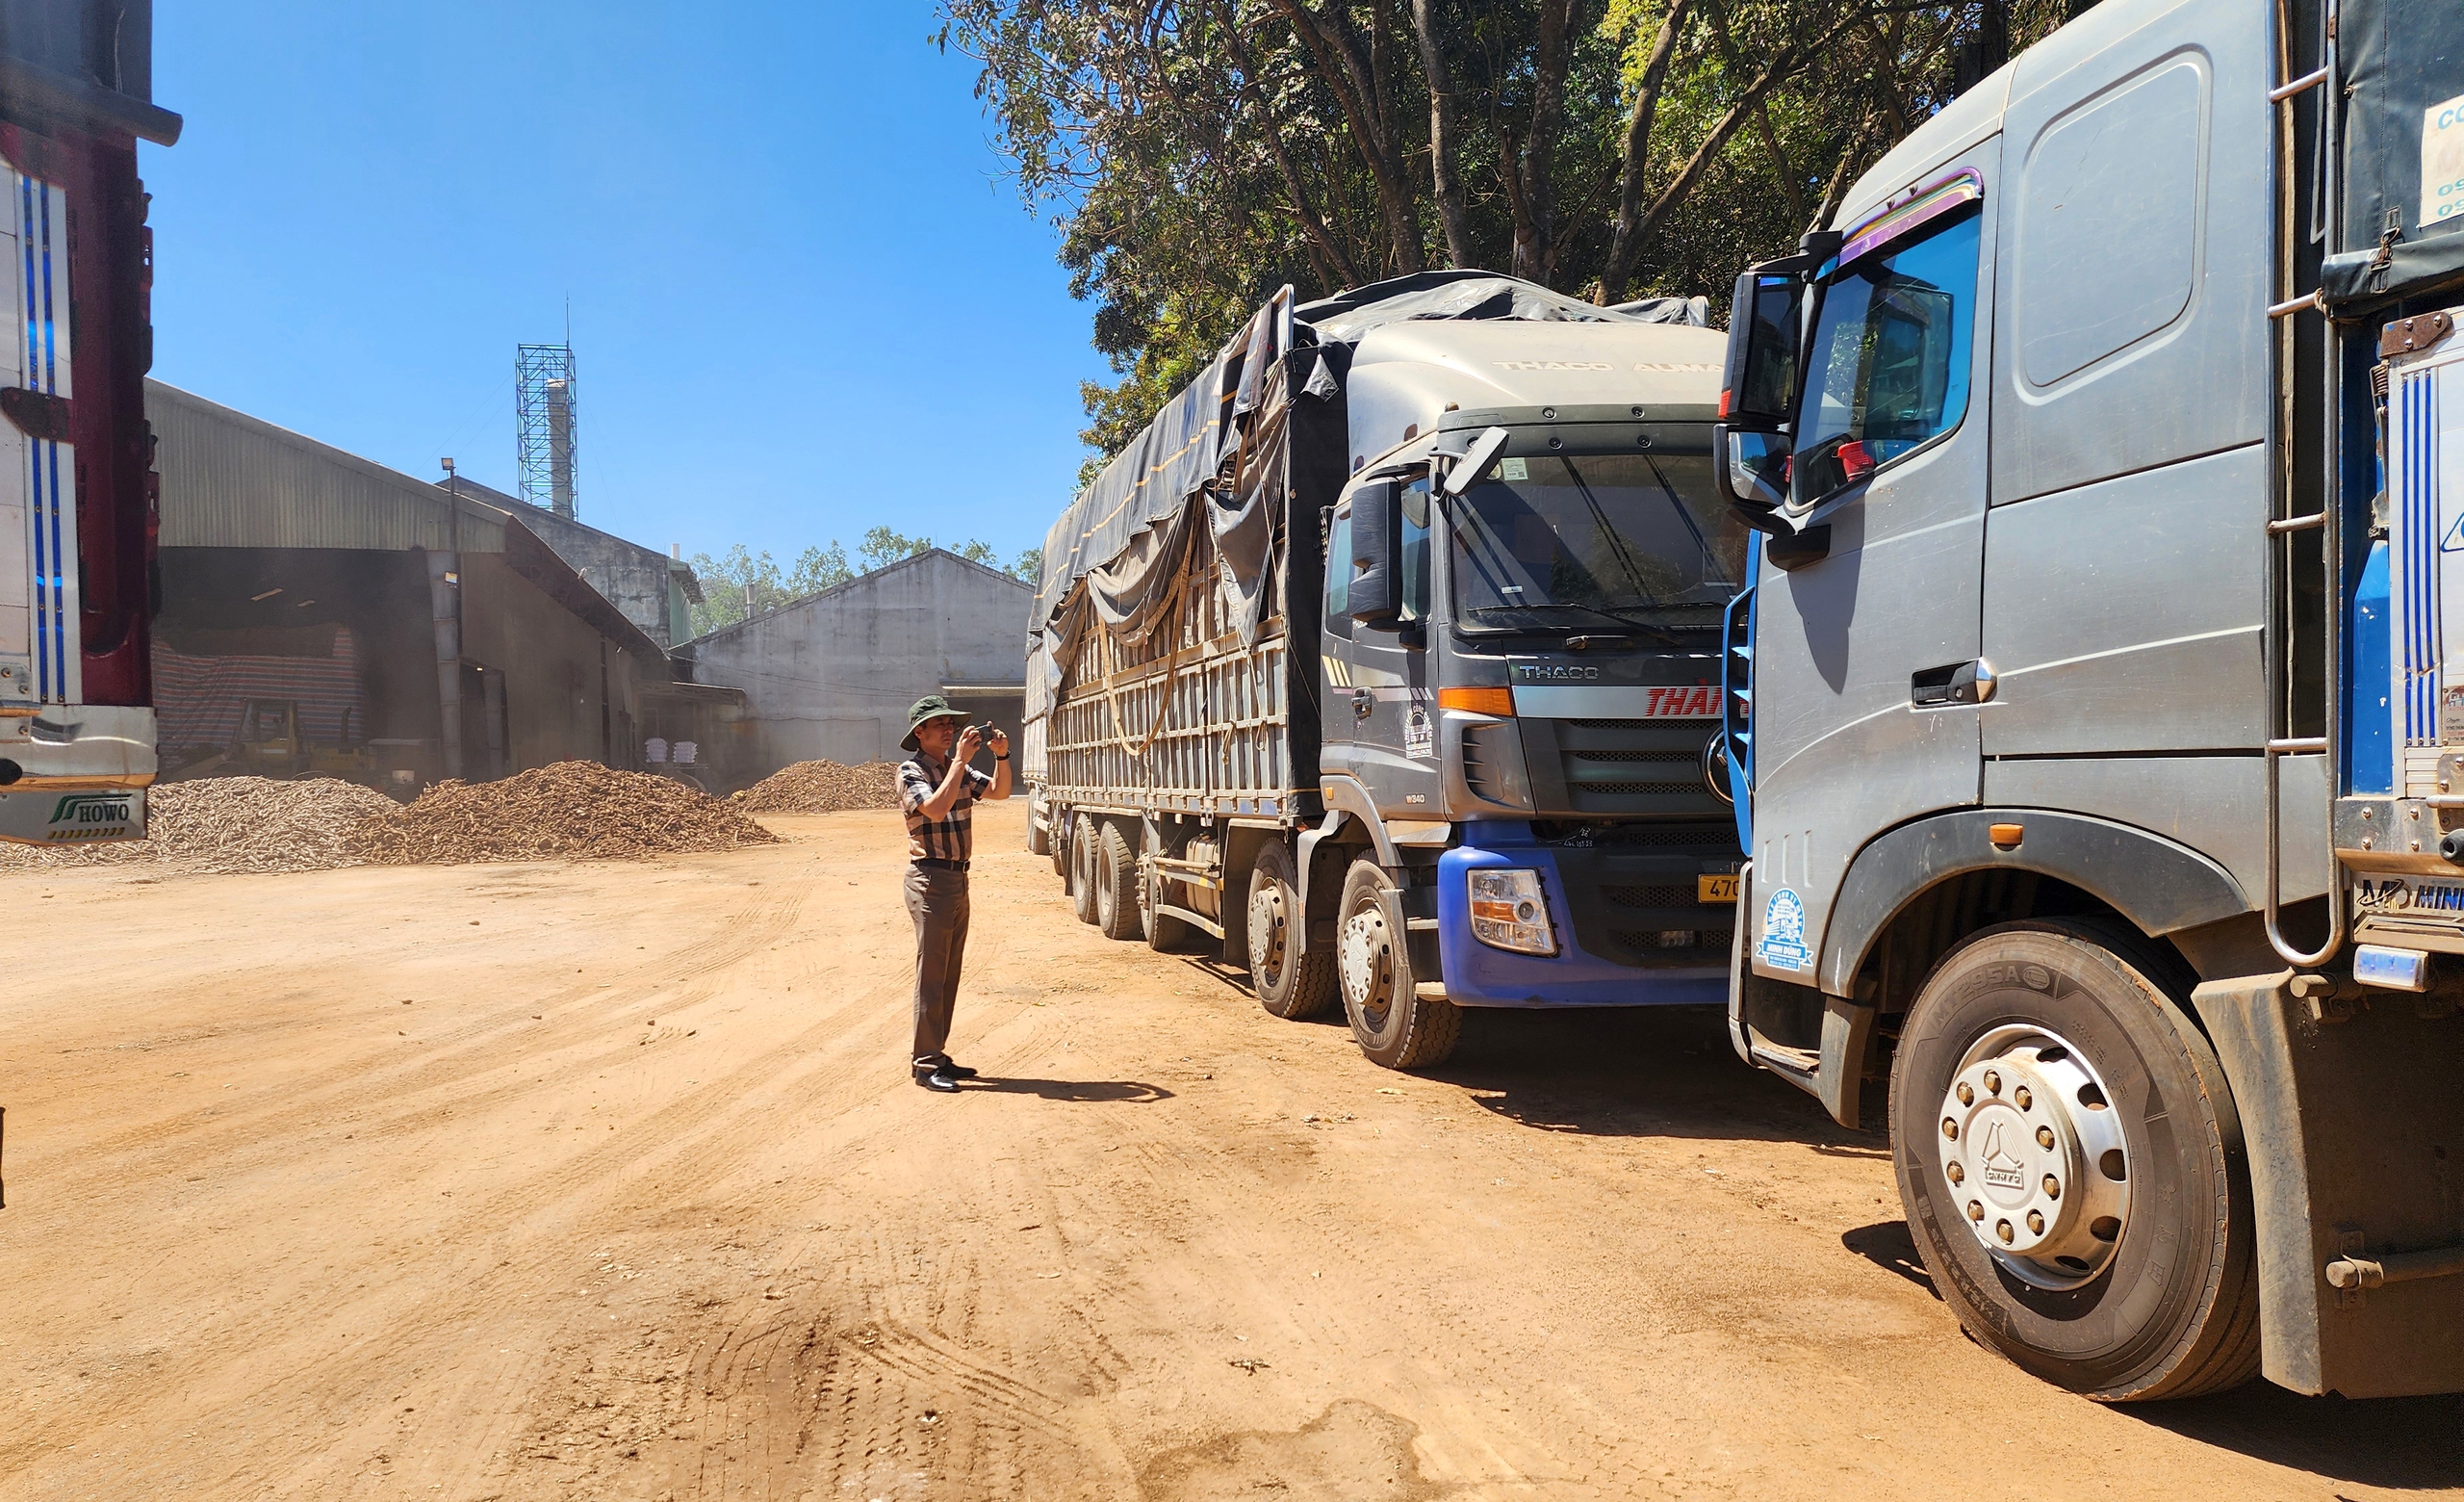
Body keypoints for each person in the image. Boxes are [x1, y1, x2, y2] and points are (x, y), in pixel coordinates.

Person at [895, 695, 1011, 1092]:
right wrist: (960, 763)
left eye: (950, 723)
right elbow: (935, 809)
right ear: (919, 733)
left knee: (948, 974)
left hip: (957, 879)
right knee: (931, 976)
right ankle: (925, 1065)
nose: (948, 729)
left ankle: (936, 1055)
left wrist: (1002, 755)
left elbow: (999, 792)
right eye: (939, 724)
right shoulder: (911, 770)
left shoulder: (953, 768)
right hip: (930, 880)